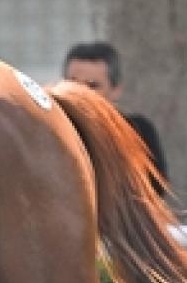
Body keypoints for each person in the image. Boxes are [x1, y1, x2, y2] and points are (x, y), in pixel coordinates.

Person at [62, 41, 168, 184]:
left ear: (116, 89)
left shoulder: (136, 132)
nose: (80, 93)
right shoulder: (49, 132)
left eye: (92, 85)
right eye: (72, 83)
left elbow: (155, 187)